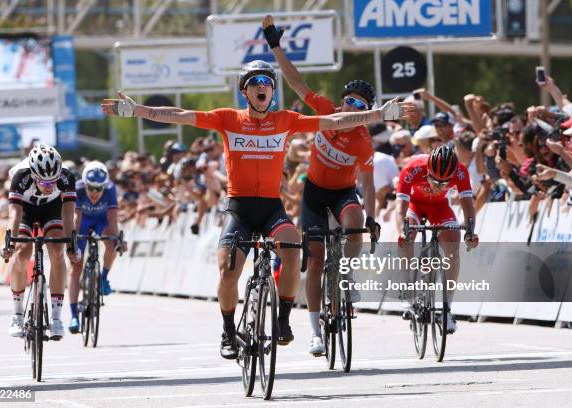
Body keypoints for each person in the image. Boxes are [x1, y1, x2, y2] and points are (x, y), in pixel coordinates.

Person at [101, 59, 413, 359]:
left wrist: (378, 115)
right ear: (246, 91)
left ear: (272, 92)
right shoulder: (228, 119)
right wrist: (137, 110)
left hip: (271, 209)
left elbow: (335, 120)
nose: (263, 87)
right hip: (239, 209)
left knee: (292, 249)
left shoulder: (285, 121)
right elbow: (179, 114)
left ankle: (283, 320)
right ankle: (227, 330)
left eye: (267, 83)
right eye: (256, 83)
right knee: (227, 272)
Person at [262, 15, 383, 356]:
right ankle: (315, 332)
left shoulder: (361, 138)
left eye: (360, 106)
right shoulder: (325, 109)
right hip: (314, 194)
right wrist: (275, 47)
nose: (351, 107)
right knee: (314, 260)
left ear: (365, 113)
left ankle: (347, 274)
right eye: (350, 101)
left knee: (355, 223)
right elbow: (297, 82)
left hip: (343, 193)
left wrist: (371, 218)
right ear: (341, 100)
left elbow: (370, 185)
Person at [396, 145, 479, 333]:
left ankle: (447, 309)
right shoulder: (412, 168)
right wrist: (402, 230)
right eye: (435, 181)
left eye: (444, 184)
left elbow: (468, 205)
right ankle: (406, 291)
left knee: (453, 245)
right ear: (428, 171)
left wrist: (470, 231)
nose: (438, 186)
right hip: (415, 205)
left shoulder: (461, 172)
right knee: (406, 237)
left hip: (440, 207)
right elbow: (400, 208)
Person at [2, 144, 78, 340]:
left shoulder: (66, 177)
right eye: (44, 184)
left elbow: (68, 215)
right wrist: (9, 242)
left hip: (51, 209)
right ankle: (17, 315)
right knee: (21, 252)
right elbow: (15, 213)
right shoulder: (21, 176)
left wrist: (71, 245)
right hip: (26, 210)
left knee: (57, 251)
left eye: (53, 183)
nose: (49, 187)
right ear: (34, 175)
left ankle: (56, 318)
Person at [67, 161, 122, 334]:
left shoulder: (111, 189)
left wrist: (117, 239)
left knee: (112, 244)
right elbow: (76, 219)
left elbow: (113, 219)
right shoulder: (77, 188)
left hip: (101, 221)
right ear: (85, 184)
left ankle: (103, 277)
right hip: (83, 222)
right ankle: (74, 315)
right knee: (76, 267)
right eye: (91, 188)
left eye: (100, 189)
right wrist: (73, 243)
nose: (95, 192)